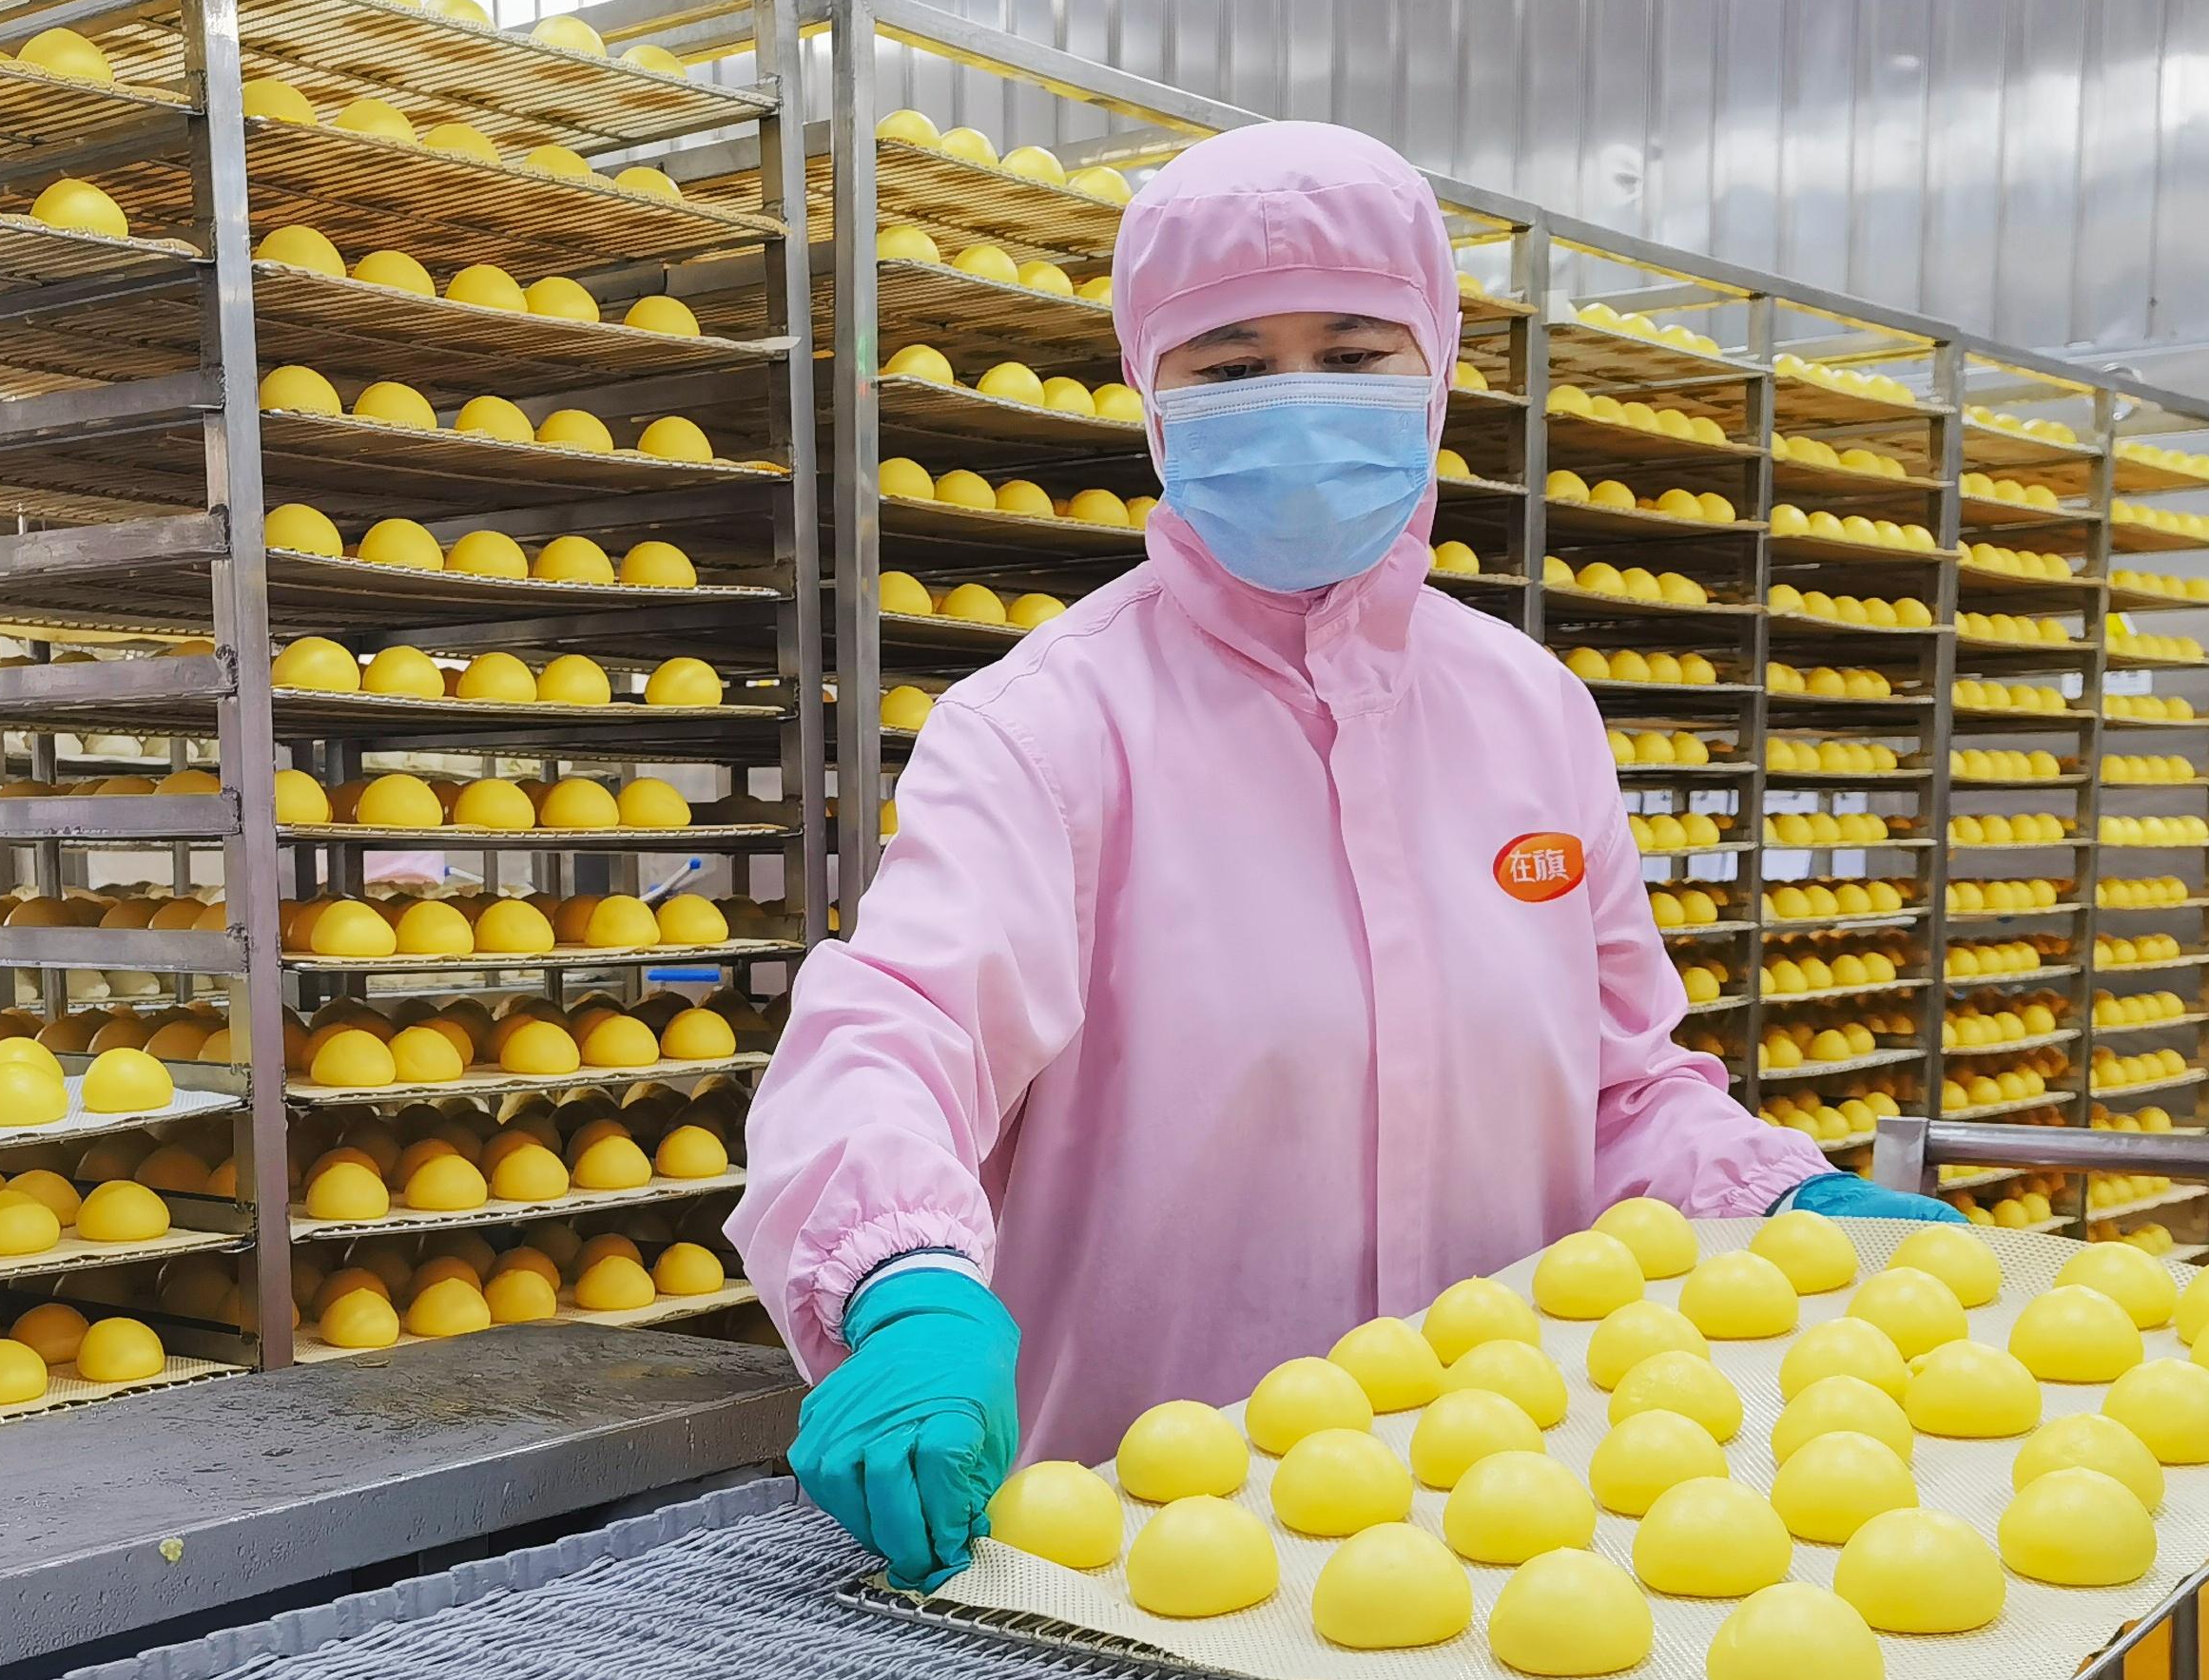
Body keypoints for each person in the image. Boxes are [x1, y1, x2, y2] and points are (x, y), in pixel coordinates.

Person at [731, 119, 1960, 1586]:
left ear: (1436, 372)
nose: (1299, 401)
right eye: (1233, 365)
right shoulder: (1047, 731)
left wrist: (1773, 1200)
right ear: (1151, 396)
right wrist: (905, 1281)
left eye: (1354, 351)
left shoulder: (1532, 715)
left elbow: (1617, 1092)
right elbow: (898, 1033)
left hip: (1513, 1534)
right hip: (1141, 1552)